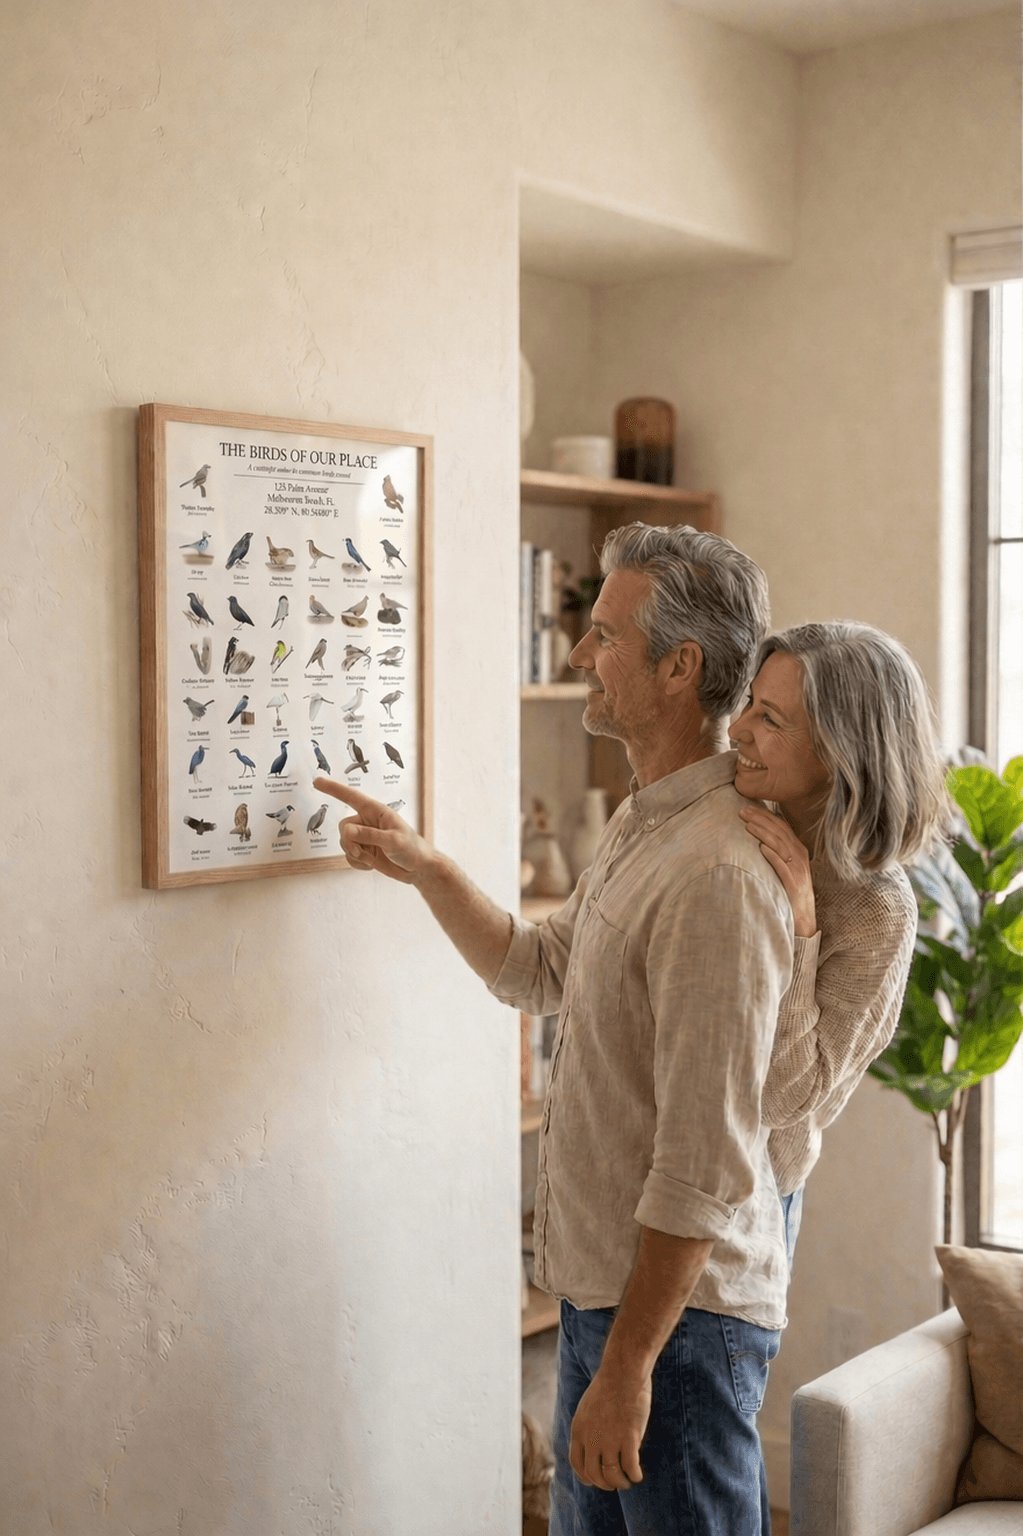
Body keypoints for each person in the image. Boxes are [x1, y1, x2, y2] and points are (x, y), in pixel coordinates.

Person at [317, 521, 796, 1536]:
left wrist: (627, 1370)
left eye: (605, 635)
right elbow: (538, 973)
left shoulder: (716, 874)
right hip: (604, 1306)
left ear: (680, 668)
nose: (579, 653)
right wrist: (423, 865)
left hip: (676, 1333)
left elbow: (702, 1162)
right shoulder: (644, 825)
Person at [725, 621, 952, 1531]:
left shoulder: (878, 908)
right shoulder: (745, 816)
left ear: (842, 749)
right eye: (747, 702)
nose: (738, 729)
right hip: (651, 1177)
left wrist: (801, 921)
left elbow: (790, 1095)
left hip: (745, 1202)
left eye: (768, 718)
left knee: (703, 1437)